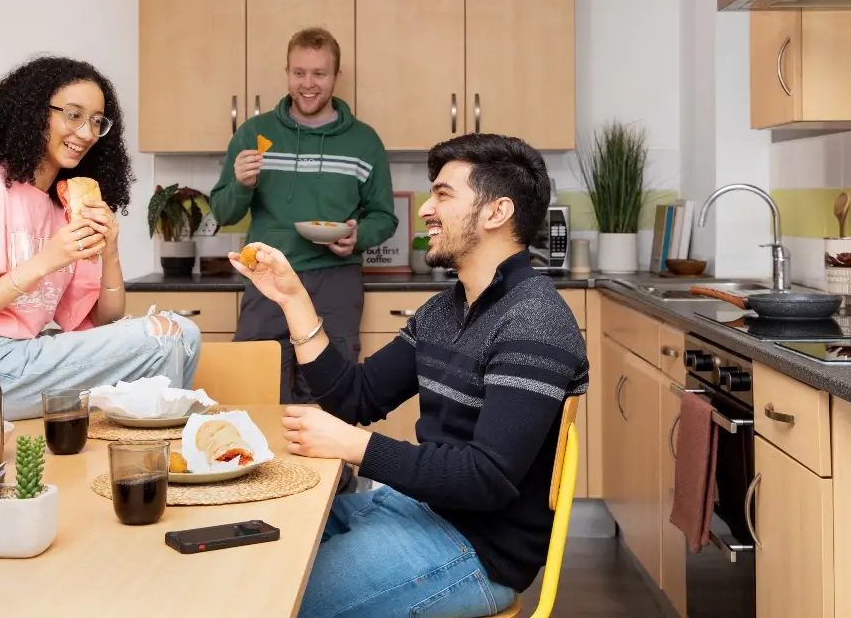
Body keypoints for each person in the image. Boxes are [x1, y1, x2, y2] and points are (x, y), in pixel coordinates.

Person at [228, 133, 589, 618]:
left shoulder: (535, 321)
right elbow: (355, 398)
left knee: (269, 603)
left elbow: (486, 478)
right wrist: (292, 299)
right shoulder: (447, 309)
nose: (424, 210)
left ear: (496, 212)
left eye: (443, 194)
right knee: (242, 559)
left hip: (475, 548)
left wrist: (354, 447)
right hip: (415, 506)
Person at [0, 56, 201, 420]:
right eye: (73, 115)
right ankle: (161, 446)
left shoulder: (63, 206)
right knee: (161, 336)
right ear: (34, 114)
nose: (85, 133)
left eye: (96, 122)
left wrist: (110, 251)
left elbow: (103, 320)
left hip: (27, 355)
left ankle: (149, 440)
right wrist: (46, 261)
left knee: (186, 333)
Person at [210, 27, 398, 403]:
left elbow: (384, 217)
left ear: (336, 77)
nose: (308, 84)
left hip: (335, 283)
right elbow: (223, 212)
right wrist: (240, 183)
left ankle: (328, 466)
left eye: (319, 74)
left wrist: (357, 235)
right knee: (253, 390)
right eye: (299, 73)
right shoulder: (253, 134)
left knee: (328, 396)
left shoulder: (365, 141)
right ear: (287, 72)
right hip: (267, 277)